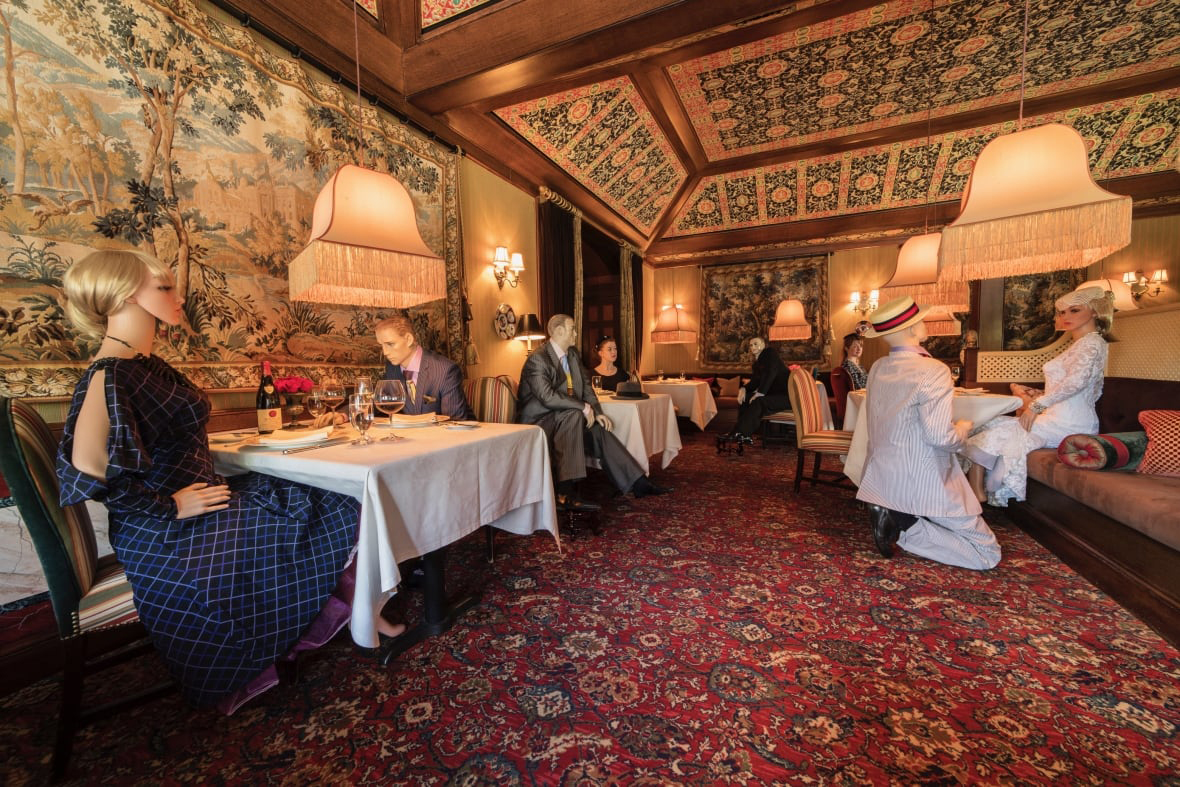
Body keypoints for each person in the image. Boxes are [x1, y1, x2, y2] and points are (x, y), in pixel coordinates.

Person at [55, 250, 406, 712]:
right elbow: (82, 467)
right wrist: (170, 507)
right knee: (330, 502)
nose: (178, 297)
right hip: (169, 533)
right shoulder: (111, 372)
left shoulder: (140, 365)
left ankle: (362, 613)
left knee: (324, 496)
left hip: (202, 501)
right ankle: (346, 618)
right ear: (123, 297)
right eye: (164, 288)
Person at [856, 296, 1001, 571]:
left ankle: (898, 513)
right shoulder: (933, 370)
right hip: (925, 478)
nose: (925, 325)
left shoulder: (878, 368)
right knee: (988, 553)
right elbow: (940, 438)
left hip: (884, 475)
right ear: (912, 329)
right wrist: (963, 429)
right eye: (920, 321)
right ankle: (905, 524)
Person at [963, 285, 1113, 506]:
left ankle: (976, 492)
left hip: (1072, 423)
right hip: (1055, 418)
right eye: (1062, 312)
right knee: (988, 424)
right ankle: (976, 491)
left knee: (995, 426)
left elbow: (1077, 382)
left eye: (1075, 310)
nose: (1066, 316)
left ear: (1094, 311)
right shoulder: (1080, 344)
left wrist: (1037, 405)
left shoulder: (1092, 342)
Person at [516, 314, 670, 510]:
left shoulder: (572, 354)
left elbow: (587, 387)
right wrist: (583, 407)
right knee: (574, 414)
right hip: (538, 422)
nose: (576, 332)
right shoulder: (537, 359)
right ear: (559, 331)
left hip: (563, 419)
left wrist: (596, 411)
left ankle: (638, 483)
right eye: (572, 328)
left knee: (599, 430)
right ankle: (567, 493)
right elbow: (547, 397)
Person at [376, 315, 474, 420]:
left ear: (409, 339)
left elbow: (454, 423)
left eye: (390, 344)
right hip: (410, 435)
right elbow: (384, 410)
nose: (385, 352)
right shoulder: (392, 368)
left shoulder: (445, 370)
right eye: (381, 345)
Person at [729, 336, 790, 442]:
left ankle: (740, 433)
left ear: (763, 345)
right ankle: (742, 433)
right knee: (746, 398)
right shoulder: (757, 364)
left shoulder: (770, 353)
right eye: (751, 345)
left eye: (756, 344)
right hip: (775, 396)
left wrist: (760, 393)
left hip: (787, 397)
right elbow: (755, 382)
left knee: (759, 401)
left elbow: (771, 371)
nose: (753, 347)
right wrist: (743, 388)